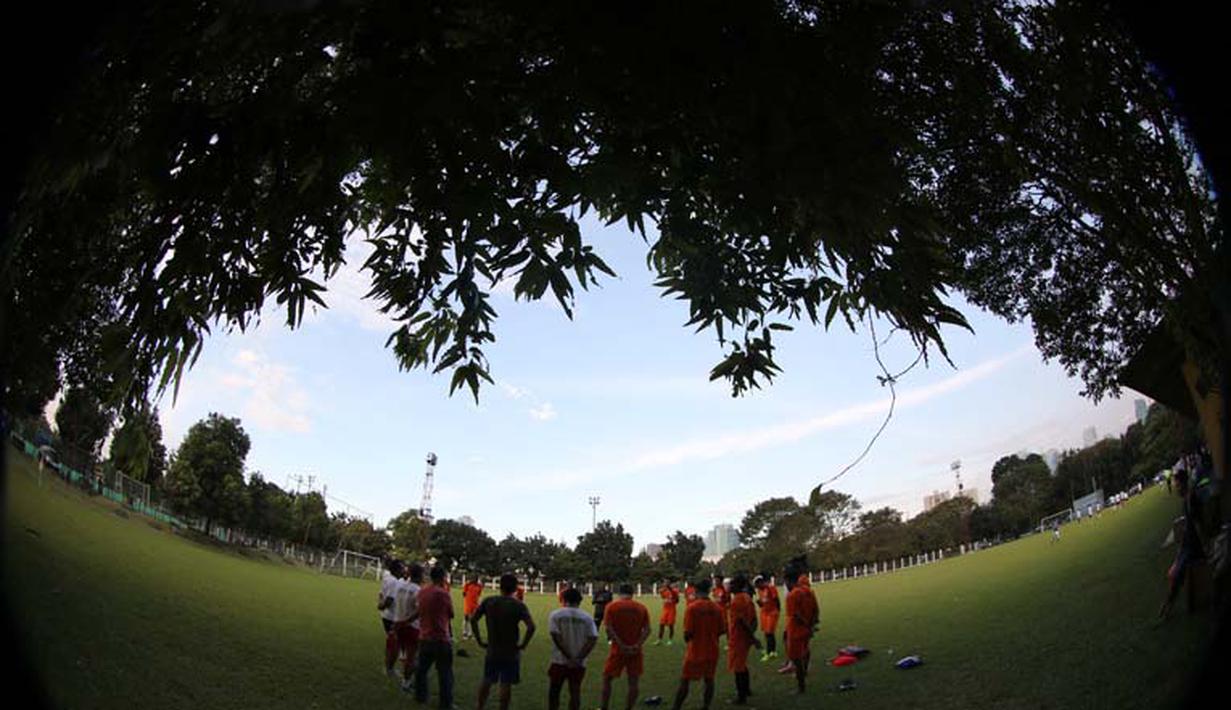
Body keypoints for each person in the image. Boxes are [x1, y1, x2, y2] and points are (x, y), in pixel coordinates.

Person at [472, 573, 536, 710]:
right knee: (506, 683)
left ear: (500, 586)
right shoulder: (518, 605)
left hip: (493, 649)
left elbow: (473, 620)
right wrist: (523, 645)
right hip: (511, 651)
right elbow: (531, 627)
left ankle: (479, 706)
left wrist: (479, 640)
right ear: (515, 588)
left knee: (487, 679)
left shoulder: (489, 601)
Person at [1159, 468, 1209, 619]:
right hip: (1187, 545)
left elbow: (1198, 525)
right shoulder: (1187, 500)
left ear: (1184, 483)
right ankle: (1169, 603)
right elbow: (1189, 525)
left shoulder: (1191, 499)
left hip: (1193, 547)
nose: (1176, 488)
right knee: (1172, 572)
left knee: (1176, 573)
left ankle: (1168, 605)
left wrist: (1206, 546)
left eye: (1178, 485)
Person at [670, 578, 724, 710]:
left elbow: (688, 633)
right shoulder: (717, 608)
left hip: (695, 650)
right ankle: (705, 706)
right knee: (709, 680)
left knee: (685, 680)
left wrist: (689, 639)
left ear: (696, 590)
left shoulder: (692, 608)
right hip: (712, 650)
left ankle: (676, 707)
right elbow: (721, 630)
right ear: (709, 590)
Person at [599, 583, 651, 710]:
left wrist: (621, 645)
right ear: (632, 593)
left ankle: (604, 707)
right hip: (635, 651)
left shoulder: (611, 607)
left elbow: (609, 628)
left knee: (607, 679)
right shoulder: (641, 608)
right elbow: (647, 629)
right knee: (633, 682)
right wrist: (637, 645)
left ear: (619, 593)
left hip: (617, 650)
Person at [547, 587, 600, 710]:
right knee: (575, 691)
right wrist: (579, 658)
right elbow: (592, 638)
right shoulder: (587, 617)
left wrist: (568, 656)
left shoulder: (556, 615)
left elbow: (556, 637)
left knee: (554, 691)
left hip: (559, 660)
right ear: (579, 601)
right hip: (579, 663)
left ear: (563, 599)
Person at [414, 566, 456, 709]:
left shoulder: (422, 591)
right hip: (441, 639)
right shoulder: (443, 594)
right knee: (445, 673)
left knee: (421, 670)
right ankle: (445, 703)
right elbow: (451, 614)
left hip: (424, 637)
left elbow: (419, 610)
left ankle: (420, 696)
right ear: (443, 577)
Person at [783, 561, 819, 694]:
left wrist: (806, 624)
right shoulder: (808, 591)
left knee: (796, 659)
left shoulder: (792, 595)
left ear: (788, 581)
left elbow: (796, 615)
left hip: (796, 631)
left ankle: (801, 687)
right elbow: (816, 610)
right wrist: (811, 625)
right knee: (805, 651)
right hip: (806, 630)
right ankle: (804, 674)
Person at [726, 575, 761, 705]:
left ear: (736, 586)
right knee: (742, 664)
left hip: (738, 637)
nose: (729, 586)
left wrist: (753, 638)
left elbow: (741, 621)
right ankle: (747, 690)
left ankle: (741, 696)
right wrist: (752, 634)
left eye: (731, 584)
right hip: (745, 637)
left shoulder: (737, 601)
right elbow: (754, 619)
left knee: (738, 667)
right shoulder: (747, 598)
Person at [392, 563, 424, 691]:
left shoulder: (400, 585)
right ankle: (406, 682)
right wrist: (408, 621)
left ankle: (401, 674)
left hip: (398, 622)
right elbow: (419, 610)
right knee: (412, 656)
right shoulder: (418, 590)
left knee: (404, 653)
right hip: (411, 626)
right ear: (420, 575)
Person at [379, 559, 403, 679]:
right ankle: (390, 669)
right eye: (401, 568)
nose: (403, 571)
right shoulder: (394, 582)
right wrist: (383, 606)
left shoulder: (387, 579)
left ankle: (387, 666)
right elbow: (390, 600)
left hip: (386, 616)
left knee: (390, 642)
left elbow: (381, 594)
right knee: (395, 644)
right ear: (396, 570)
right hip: (393, 617)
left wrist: (380, 605)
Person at [753, 575, 780, 661]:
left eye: (757, 584)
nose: (757, 587)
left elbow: (776, 600)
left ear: (761, 582)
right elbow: (762, 603)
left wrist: (778, 610)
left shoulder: (770, 588)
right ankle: (772, 651)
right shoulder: (759, 591)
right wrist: (759, 603)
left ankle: (769, 652)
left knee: (769, 633)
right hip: (764, 613)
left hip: (772, 613)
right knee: (767, 633)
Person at [711, 576, 730, 650]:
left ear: (721, 582)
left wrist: (727, 605)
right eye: (715, 581)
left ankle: (729, 643)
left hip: (723, 612)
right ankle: (715, 644)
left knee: (726, 629)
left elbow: (728, 600)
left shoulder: (724, 590)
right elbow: (715, 599)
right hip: (715, 612)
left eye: (717, 581)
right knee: (715, 628)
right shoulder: (714, 590)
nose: (716, 582)